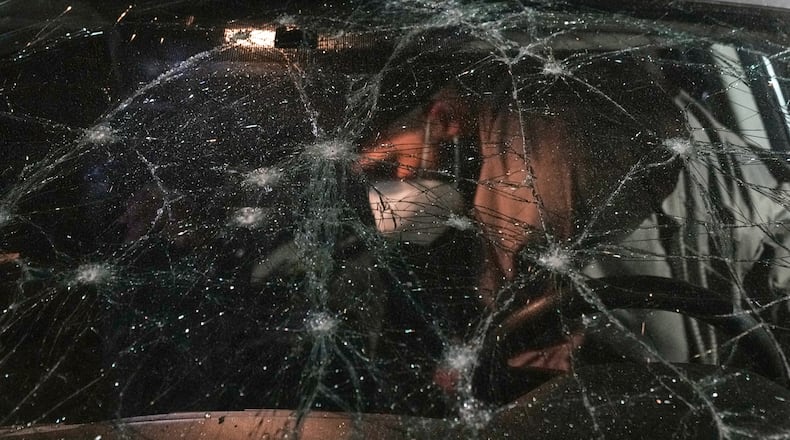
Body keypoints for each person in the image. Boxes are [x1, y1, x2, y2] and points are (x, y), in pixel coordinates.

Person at [355, 56, 790, 383]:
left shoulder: (536, 142)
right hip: (716, 365)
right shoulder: (545, 121)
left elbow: (530, 269)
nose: (401, 179)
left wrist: (499, 364)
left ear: (442, 118)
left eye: (392, 161)